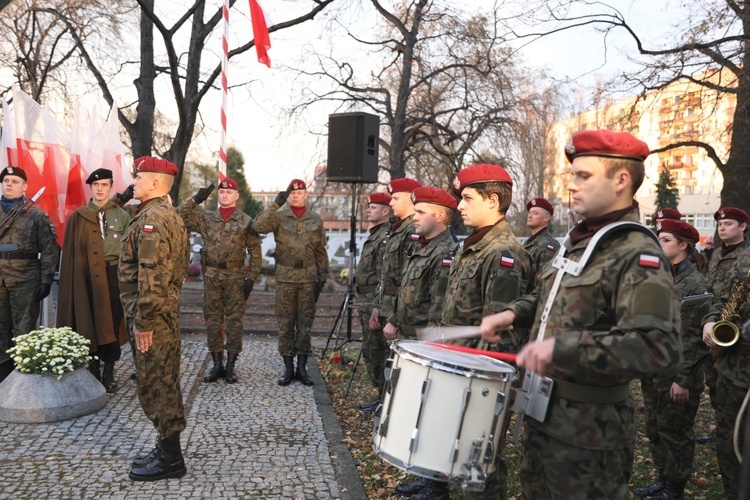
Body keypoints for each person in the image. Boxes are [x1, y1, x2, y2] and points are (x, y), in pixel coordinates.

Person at [480, 130, 681, 499]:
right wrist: (511, 314)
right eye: (572, 176)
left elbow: (658, 348)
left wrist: (563, 349)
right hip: (544, 415)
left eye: (583, 176)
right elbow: (549, 298)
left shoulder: (636, 252)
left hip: (590, 433)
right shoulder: (581, 243)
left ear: (621, 180)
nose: (571, 186)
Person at [436, 163, 534, 500]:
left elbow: (496, 340)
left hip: (479, 380)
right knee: (462, 460)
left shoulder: (503, 254)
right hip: (459, 369)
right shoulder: (475, 246)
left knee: (481, 463)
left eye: (466, 198)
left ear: (493, 200)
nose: (459, 205)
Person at [120, 156, 189, 481]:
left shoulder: (153, 220)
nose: (134, 181)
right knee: (163, 380)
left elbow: (153, 276)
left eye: (139, 177)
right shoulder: (166, 214)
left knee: (155, 383)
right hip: (161, 310)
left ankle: (170, 458)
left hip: (151, 315)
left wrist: (143, 322)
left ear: (155, 183)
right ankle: (166, 448)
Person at [389, 186, 459, 500]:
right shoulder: (423, 245)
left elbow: (439, 306)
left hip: (425, 344)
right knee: (420, 412)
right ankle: (424, 475)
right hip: (412, 340)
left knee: (431, 413)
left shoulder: (445, 251)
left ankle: (437, 485)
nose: (414, 218)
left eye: (420, 213)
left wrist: (430, 350)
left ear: (441, 216)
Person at [635, 219, 711, 499]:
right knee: (655, 428)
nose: (659, 243)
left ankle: (675, 489)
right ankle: (663, 478)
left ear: (683, 245)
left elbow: (693, 340)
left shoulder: (695, 284)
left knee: (676, 432)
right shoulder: (662, 274)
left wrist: (683, 380)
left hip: (676, 373)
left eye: (665, 239)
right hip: (653, 368)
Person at [178, 177, 262, 384]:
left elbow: (255, 251)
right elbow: (178, 214)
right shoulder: (207, 218)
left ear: (236, 195)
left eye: (229, 192)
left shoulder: (246, 221)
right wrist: (196, 199)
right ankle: (217, 364)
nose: (224, 194)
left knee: (234, 322)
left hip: (235, 277)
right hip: (212, 276)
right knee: (213, 321)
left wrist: (251, 278)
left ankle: (231, 365)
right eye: (222, 192)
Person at [57, 168, 131, 392]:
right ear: (91, 187)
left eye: (105, 185)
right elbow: (70, 254)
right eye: (96, 185)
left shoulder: (123, 215)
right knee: (88, 319)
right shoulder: (79, 216)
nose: (100, 189)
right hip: (86, 275)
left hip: (113, 275)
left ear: (111, 187)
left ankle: (108, 372)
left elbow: (129, 250)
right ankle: (92, 369)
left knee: (113, 320)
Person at [253, 179, 328, 387]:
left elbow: (321, 250)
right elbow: (258, 225)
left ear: (306, 195)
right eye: (292, 193)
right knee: (285, 324)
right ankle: (288, 368)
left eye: (299, 192)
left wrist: (323, 276)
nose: (295, 196)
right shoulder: (278, 217)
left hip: (307, 277)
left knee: (305, 324)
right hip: (285, 277)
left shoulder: (315, 219)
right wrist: (277, 203)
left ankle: (302, 368)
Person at [701, 209, 750, 499]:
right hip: (722, 356)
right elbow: (713, 296)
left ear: (743, 226)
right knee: (726, 433)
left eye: (728, 223)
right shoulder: (716, 255)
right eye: (719, 224)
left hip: (741, 358)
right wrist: (711, 319)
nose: (722, 228)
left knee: (737, 440)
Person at [0, 165, 59, 383]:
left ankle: (23, 377)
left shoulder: (35, 214)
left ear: (24, 186)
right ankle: (3, 376)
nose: (9, 184)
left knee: (23, 329)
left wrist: (46, 280)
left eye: (14, 181)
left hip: (25, 279)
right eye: (6, 180)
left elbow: (49, 249)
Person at [369, 177, 421, 351]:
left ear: (411, 199)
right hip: (388, 305)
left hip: (400, 311)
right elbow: (386, 273)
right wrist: (378, 305)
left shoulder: (414, 229)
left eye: (396, 198)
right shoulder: (397, 229)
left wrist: (396, 318)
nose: (391, 203)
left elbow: (411, 280)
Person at [355, 192, 392, 413]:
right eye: (369, 207)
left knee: (377, 351)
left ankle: (384, 398)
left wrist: (376, 306)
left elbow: (382, 275)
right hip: (367, 300)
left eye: (374, 207)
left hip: (375, 302)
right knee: (370, 350)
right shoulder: (375, 235)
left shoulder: (385, 236)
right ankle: (380, 395)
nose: (369, 210)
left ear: (386, 211)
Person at [524, 197, 560, 270]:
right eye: (530, 213)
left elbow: (545, 279)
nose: (530, 216)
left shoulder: (549, 245)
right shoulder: (528, 243)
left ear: (546, 218)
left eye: (535, 213)